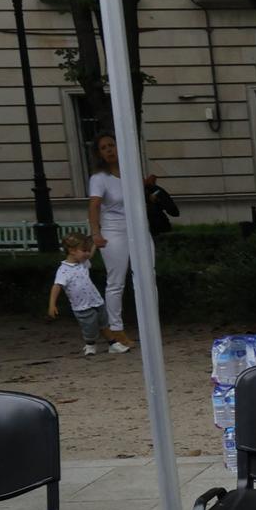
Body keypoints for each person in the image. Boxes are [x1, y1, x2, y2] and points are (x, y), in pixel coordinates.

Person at [85, 132, 147, 349]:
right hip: (114, 230)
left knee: (147, 275)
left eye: (112, 145)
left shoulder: (130, 173)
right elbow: (94, 205)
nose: (109, 150)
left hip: (138, 228)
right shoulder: (100, 178)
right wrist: (96, 233)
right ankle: (116, 328)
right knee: (116, 281)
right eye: (104, 147)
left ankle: (148, 324)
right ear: (99, 153)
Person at [46, 232, 118, 356]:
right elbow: (57, 286)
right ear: (72, 251)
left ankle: (113, 343)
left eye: (88, 250)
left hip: (96, 301)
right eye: (84, 250)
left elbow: (91, 254)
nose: (88, 254)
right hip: (82, 306)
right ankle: (90, 344)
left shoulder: (83, 264)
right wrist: (52, 304)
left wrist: (94, 242)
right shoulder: (63, 270)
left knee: (104, 323)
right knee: (89, 327)